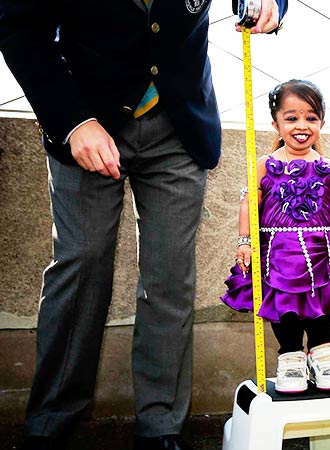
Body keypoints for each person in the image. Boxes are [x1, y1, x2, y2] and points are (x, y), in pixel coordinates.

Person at [0, 1, 286, 449]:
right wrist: (74, 123)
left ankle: (160, 428)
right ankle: (50, 424)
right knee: (81, 263)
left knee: (170, 276)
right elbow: (19, 28)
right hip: (84, 116)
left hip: (178, 125)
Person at [220, 79, 330, 394]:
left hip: (321, 252)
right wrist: (245, 243)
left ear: (321, 122)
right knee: (284, 305)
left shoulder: (328, 167)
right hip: (278, 255)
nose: (301, 125)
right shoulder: (264, 165)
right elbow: (249, 204)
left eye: (311, 117)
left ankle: (322, 353)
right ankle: (290, 356)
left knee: (321, 303)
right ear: (276, 123)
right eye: (291, 118)